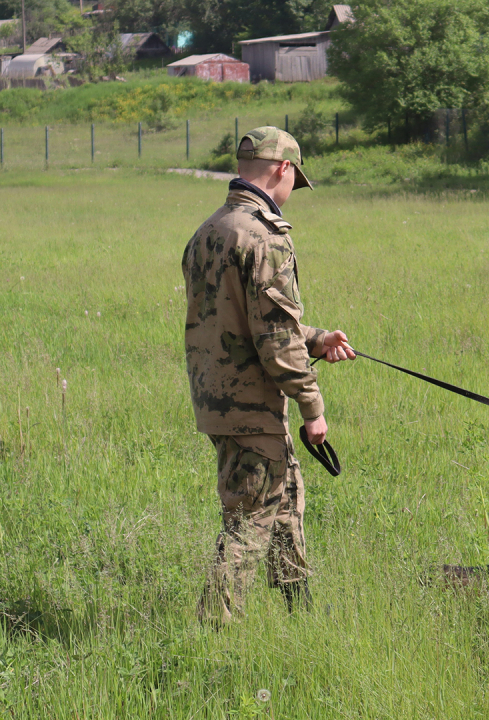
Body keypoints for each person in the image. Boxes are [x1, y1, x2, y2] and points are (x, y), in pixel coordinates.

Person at [181, 126, 355, 627]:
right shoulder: (264, 236)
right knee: (250, 521)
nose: (289, 192)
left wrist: (317, 338)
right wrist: (312, 407)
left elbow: (248, 320)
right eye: (292, 180)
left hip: (219, 400)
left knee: (286, 506)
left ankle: (301, 615)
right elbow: (275, 338)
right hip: (253, 406)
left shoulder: (209, 229)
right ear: (283, 168)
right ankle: (214, 629)